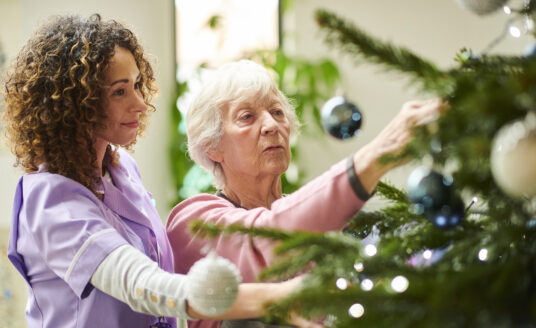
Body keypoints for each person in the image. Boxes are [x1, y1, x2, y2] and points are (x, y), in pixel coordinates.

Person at [2, 15, 318, 328]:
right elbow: (140, 284)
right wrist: (271, 297)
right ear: (76, 103)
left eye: (138, 85)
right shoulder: (50, 198)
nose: (140, 103)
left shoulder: (123, 170)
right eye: (120, 91)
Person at [166, 59, 447, 328]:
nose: (272, 126)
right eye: (247, 117)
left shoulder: (318, 219)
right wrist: (375, 156)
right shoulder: (193, 221)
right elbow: (270, 239)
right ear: (211, 146)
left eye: (277, 112)